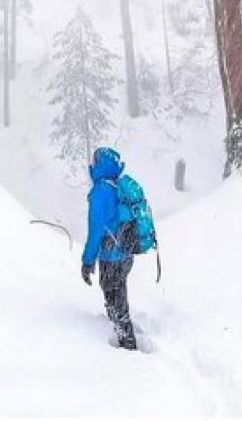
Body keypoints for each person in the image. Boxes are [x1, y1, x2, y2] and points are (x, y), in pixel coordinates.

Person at [80, 146, 137, 351]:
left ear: (100, 165)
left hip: (111, 255)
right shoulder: (117, 184)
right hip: (126, 252)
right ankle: (122, 335)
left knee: (114, 295)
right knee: (117, 292)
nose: (92, 164)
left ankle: (127, 344)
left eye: (95, 161)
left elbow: (96, 230)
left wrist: (87, 262)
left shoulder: (101, 191)